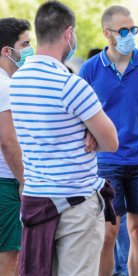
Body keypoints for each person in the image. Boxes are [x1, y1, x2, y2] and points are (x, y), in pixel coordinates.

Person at [10, 1, 119, 275]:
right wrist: (89, 131)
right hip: (76, 201)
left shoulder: (16, 81)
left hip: (36, 198)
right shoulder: (70, 85)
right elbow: (111, 142)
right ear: (69, 34)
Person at [78, 5, 138, 276]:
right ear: (107, 33)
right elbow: (79, 114)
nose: (130, 35)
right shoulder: (91, 69)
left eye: (133, 29)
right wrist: (87, 133)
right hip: (107, 162)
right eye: (123, 31)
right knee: (107, 234)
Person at [0, 17, 32, 275]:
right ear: (7, 51)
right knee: (9, 259)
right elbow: (8, 140)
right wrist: (23, 180)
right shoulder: (5, 86)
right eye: (25, 44)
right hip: (6, 182)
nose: (29, 50)